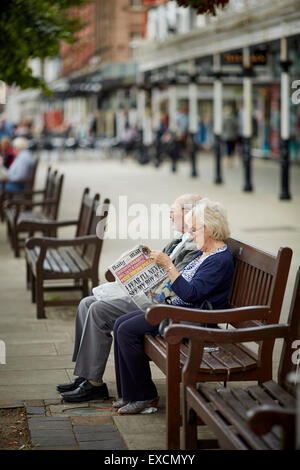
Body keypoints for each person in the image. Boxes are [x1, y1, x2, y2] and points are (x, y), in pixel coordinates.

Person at [57, 194, 202, 402]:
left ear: (189, 214)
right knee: (86, 303)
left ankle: (93, 384)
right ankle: (85, 376)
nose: (170, 216)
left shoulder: (194, 246)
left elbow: (174, 284)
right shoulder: (180, 239)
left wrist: (156, 267)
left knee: (98, 310)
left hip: (156, 303)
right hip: (147, 294)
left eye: (174, 211)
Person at [112, 198, 235, 414]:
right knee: (120, 323)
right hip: (177, 310)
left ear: (209, 229)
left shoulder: (219, 259)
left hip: (192, 319)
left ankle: (144, 396)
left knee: (127, 330)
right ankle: (129, 394)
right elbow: (185, 287)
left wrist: (168, 265)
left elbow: (192, 293)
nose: (191, 234)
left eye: (195, 230)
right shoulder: (204, 252)